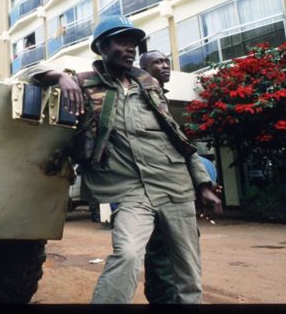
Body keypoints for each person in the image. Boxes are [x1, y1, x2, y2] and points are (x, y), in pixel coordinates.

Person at [22, 16, 222, 304]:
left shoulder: (149, 85)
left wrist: (202, 183)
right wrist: (59, 77)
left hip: (174, 186)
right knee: (127, 254)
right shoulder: (84, 84)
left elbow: (177, 138)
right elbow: (26, 74)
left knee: (188, 271)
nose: (130, 49)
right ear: (102, 48)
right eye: (122, 42)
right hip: (131, 192)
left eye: (133, 44)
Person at [138, 50, 223, 304]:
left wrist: (202, 184)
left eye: (167, 61)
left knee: (182, 257)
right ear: (143, 68)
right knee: (160, 255)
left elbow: (181, 144)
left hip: (178, 191)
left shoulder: (161, 98)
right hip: (154, 190)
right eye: (158, 62)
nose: (165, 66)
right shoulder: (139, 96)